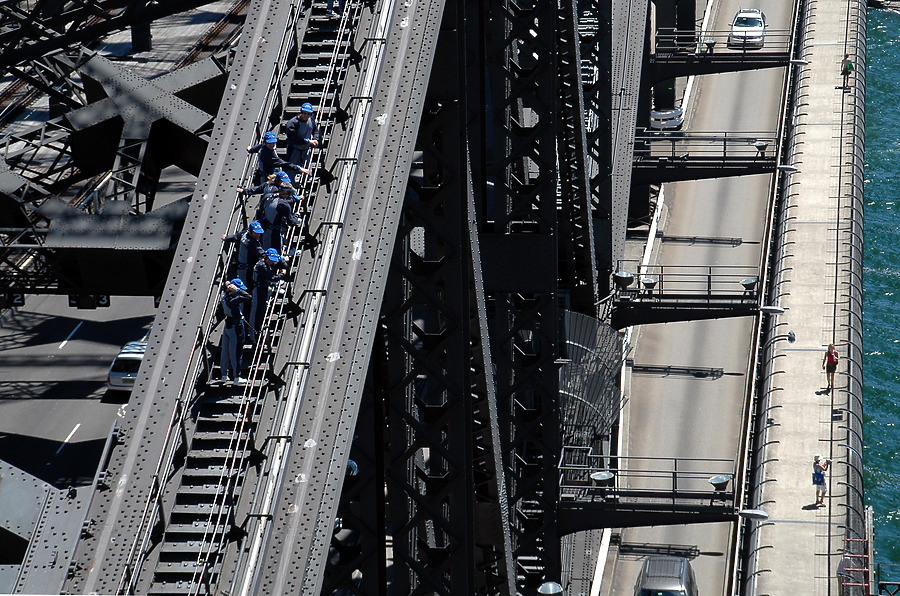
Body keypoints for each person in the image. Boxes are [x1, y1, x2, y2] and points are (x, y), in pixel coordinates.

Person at [248, 248, 289, 345]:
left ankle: (258, 334)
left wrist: (281, 260)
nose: (272, 262)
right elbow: (272, 278)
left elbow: (284, 265)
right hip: (258, 290)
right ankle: (254, 337)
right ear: (266, 258)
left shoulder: (267, 263)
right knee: (256, 313)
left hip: (263, 289)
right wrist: (282, 274)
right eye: (271, 260)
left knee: (261, 311)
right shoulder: (262, 265)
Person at [220, 279, 252, 385]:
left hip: (227, 325)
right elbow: (248, 297)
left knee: (225, 351)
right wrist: (237, 290)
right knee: (236, 352)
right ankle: (237, 378)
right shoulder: (233, 300)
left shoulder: (225, 296)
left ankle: (224, 376)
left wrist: (228, 286)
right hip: (236, 327)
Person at [221, 221, 265, 288]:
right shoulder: (250, 242)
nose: (258, 235)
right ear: (251, 231)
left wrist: (227, 238)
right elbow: (262, 253)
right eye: (256, 233)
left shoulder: (245, 234)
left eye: (259, 233)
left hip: (243, 267)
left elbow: (236, 236)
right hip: (246, 270)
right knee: (246, 287)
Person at [261, 187, 304, 254]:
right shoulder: (284, 205)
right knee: (275, 254)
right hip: (274, 233)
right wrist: (296, 216)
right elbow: (291, 222)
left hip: (265, 228)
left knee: (266, 250)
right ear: (287, 194)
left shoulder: (268, 196)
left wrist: (295, 199)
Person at [285, 103, 320, 168]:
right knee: (291, 170)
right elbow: (293, 138)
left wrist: (315, 139)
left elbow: (315, 130)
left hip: (306, 150)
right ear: (301, 112)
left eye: (308, 114)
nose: (306, 115)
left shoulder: (311, 120)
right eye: (304, 113)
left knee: (308, 171)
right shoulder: (292, 123)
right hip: (294, 150)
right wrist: (308, 141)